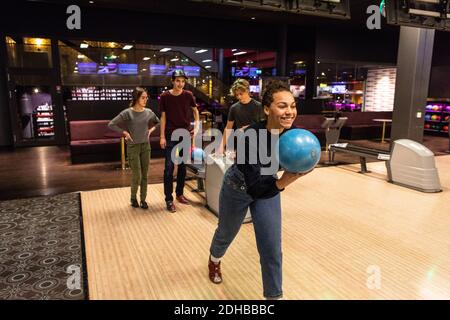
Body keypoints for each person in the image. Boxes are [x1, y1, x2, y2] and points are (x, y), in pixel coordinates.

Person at [208, 81, 312, 299]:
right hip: (239, 188)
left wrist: (304, 164)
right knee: (226, 233)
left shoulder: (293, 137)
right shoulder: (248, 137)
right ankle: (215, 259)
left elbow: (300, 160)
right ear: (267, 109)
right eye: (282, 106)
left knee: (272, 247)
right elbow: (255, 186)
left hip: (269, 189)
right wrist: (286, 181)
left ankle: (273, 297)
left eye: (292, 106)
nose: (290, 112)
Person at [108, 87, 160, 209]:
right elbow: (111, 124)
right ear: (136, 98)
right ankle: (133, 198)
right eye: (143, 97)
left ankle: (143, 200)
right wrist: (125, 133)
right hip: (133, 147)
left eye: (147, 97)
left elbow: (158, 122)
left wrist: (151, 129)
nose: (146, 99)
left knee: (145, 175)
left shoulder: (149, 112)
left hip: (146, 147)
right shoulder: (127, 113)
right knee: (137, 175)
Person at [159, 69, 200, 213]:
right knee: (169, 168)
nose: (180, 83)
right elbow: (163, 118)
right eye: (178, 80)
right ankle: (168, 199)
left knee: (182, 167)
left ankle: (179, 194)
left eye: (183, 81)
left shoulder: (188, 95)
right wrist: (162, 136)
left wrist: (197, 126)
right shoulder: (164, 96)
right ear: (172, 81)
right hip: (170, 135)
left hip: (185, 134)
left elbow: (195, 111)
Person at [217, 78, 265, 155]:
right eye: (236, 95)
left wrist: (249, 127)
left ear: (247, 91)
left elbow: (264, 126)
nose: (239, 97)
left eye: (241, 94)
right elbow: (228, 128)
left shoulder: (258, 106)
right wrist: (221, 146)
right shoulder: (234, 108)